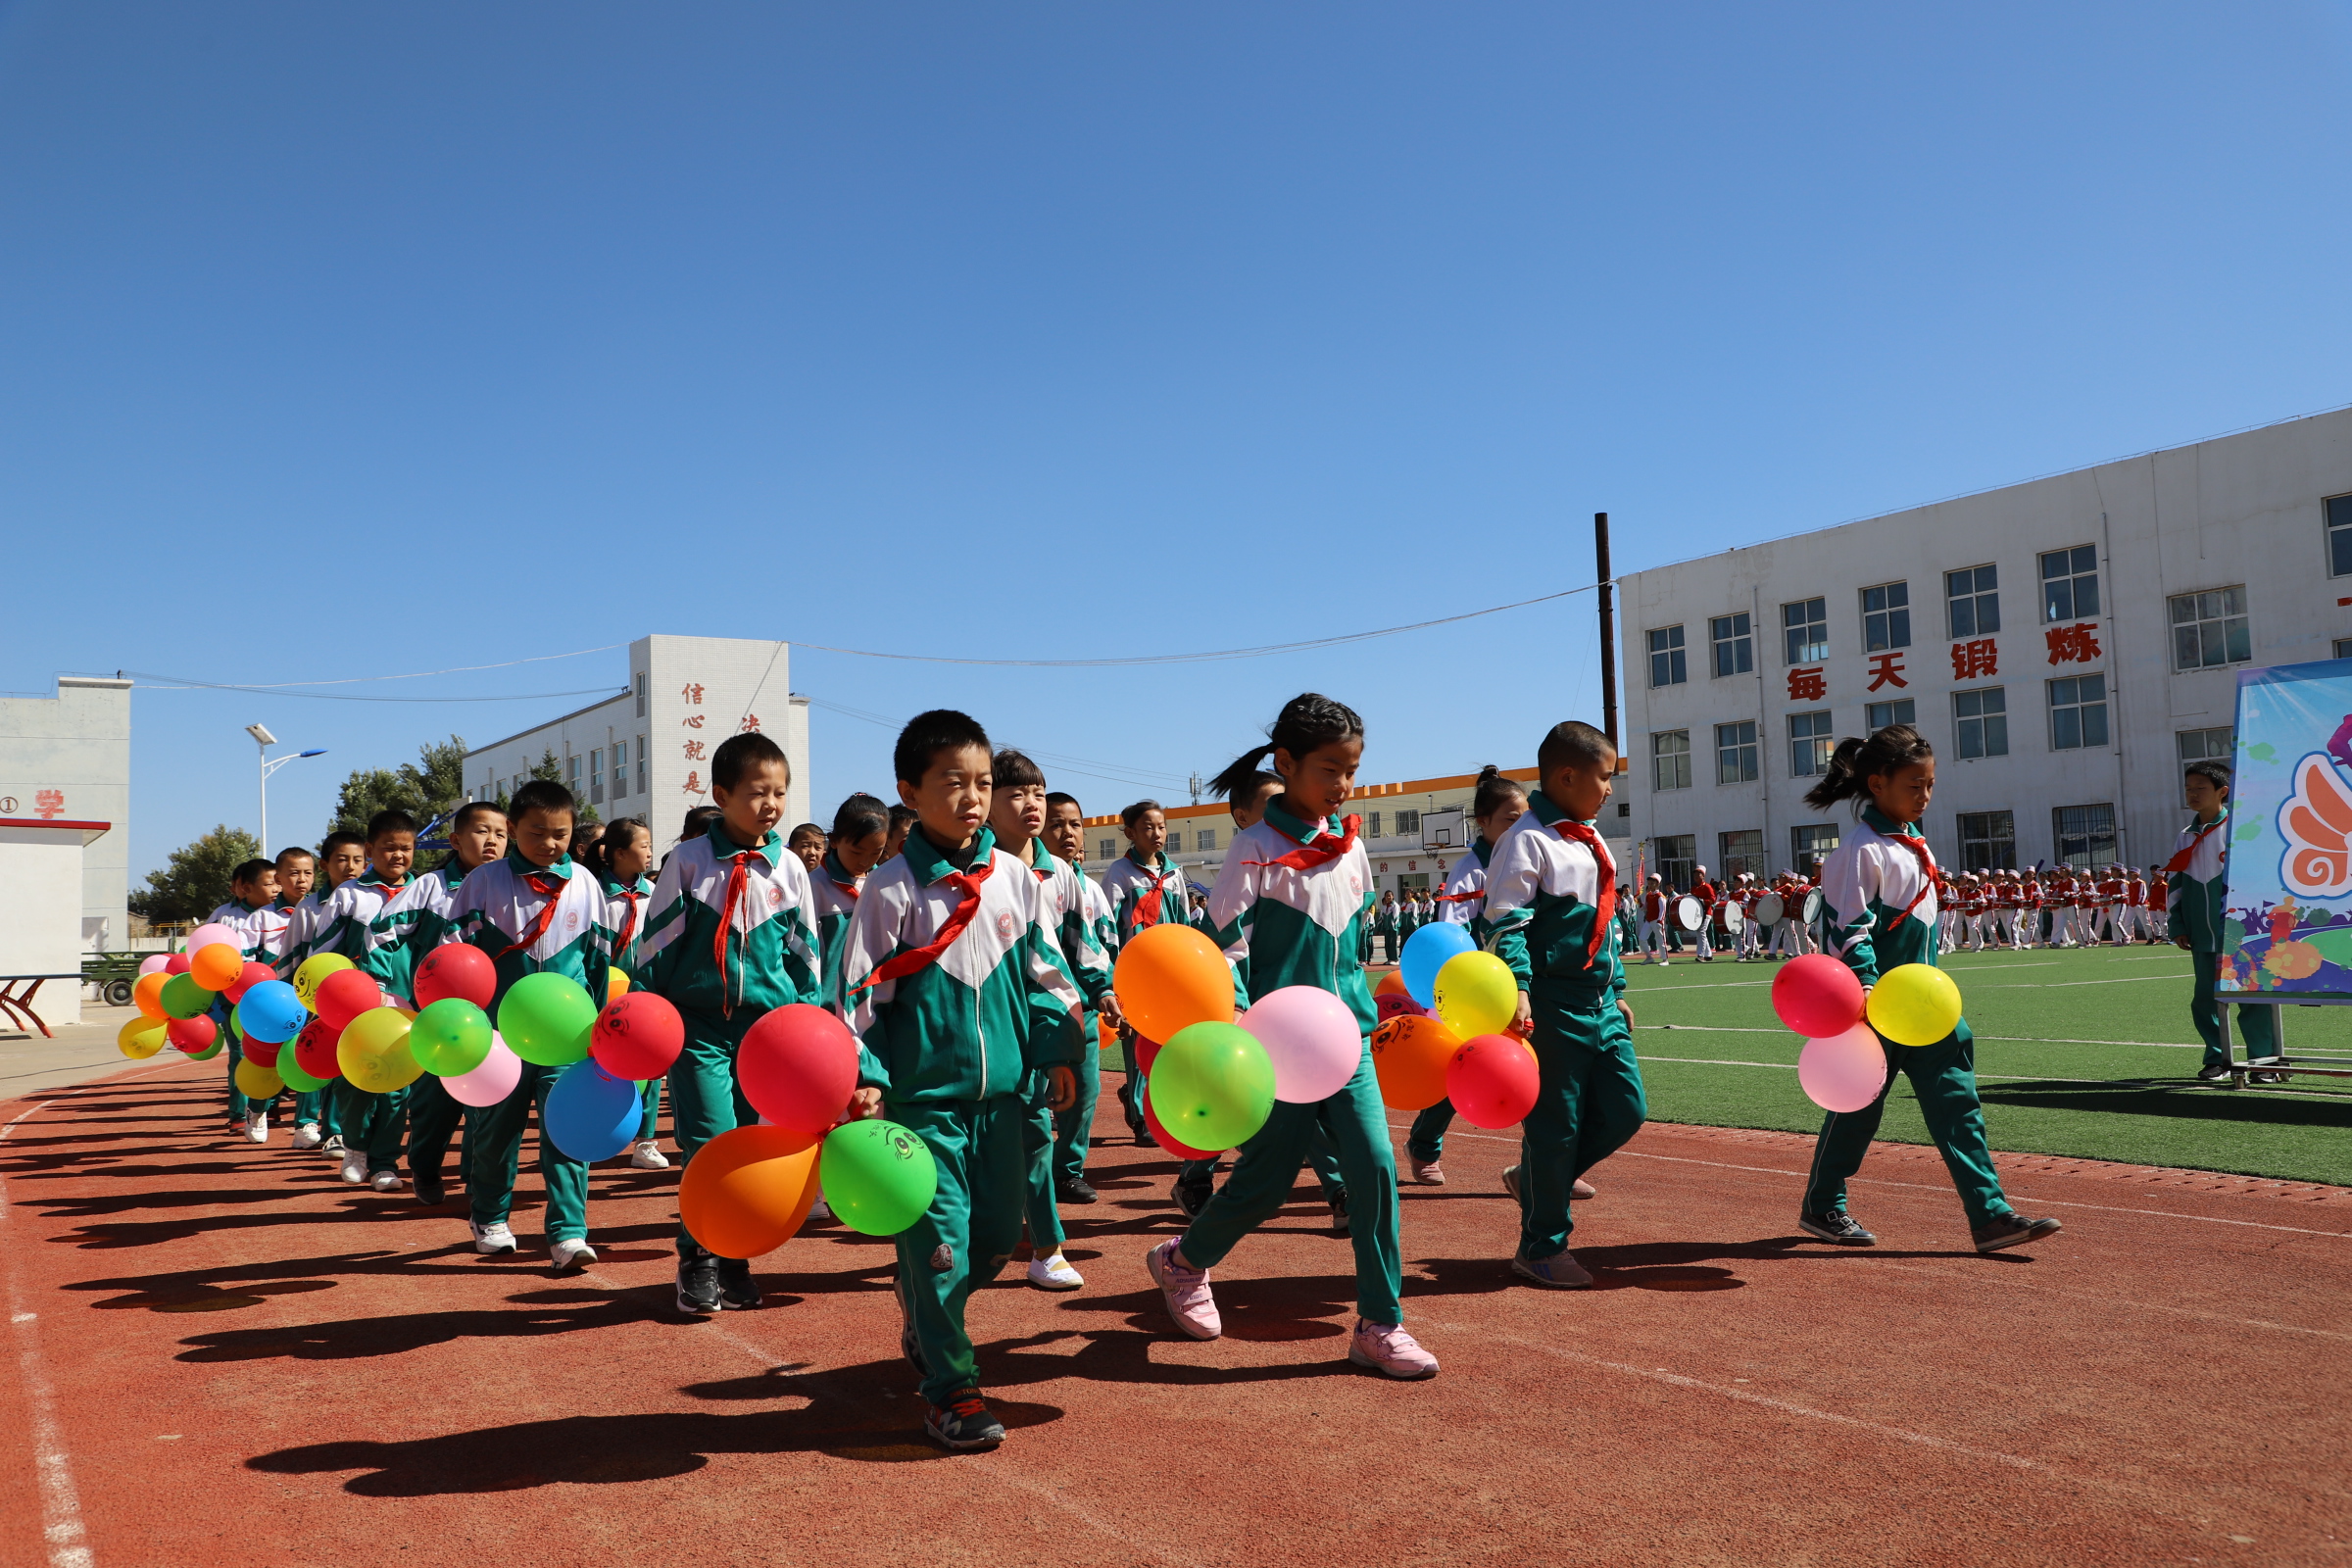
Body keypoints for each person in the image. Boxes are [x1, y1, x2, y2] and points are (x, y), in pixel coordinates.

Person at [1144, 693, 1437, 1380]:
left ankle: (1379, 1324)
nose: (1344, 783)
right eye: (1330, 768)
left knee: (1373, 1168)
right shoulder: (1253, 850)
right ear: (1286, 763)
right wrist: (1244, 1017)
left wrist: (1378, 1004)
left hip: (1351, 1044)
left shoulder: (1354, 845)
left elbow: (1354, 944)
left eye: (1352, 769)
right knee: (1267, 1183)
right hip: (1277, 1052)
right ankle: (1182, 1261)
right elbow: (1219, 949)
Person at [839, 710, 1084, 1450]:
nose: (974, 797)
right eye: (954, 783)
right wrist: (870, 1075)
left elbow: (1047, 973)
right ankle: (951, 1389)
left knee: (993, 1242)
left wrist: (1058, 1047)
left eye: (982, 783)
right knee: (943, 1243)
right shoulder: (889, 889)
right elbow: (856, 996)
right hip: (925, 1108)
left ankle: (921, 1303)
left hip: (1004, 1103)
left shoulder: (1015, 878)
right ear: (910, 792)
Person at [1794, 724, 2063, 1253]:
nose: (1925, 795)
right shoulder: (1861, 850)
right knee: (1857, 1109)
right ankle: (1823, 1204)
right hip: (1875, 1008)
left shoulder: (1912, 844)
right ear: (1877, 783)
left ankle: (1989, 1216)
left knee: (1958, 1104)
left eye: (1930, 784)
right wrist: (1868, 992)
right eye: (1914, 785)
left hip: (1925, 1007)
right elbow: (1848, 927)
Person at [638, 732, 823, 1312]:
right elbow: (656, 947)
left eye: (780, 792)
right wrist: (649, 1016)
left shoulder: (788, 867)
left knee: (751, 1146)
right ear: (722, 794)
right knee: (709, 1142)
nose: (771, 804)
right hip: (698, 1029)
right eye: (757, 792)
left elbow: (805, 955)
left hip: (766, 1036)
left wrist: (806, 1020)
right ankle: (697, 1257)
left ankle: (735, 1254)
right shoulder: (689, 863)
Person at [1478, 723, 1643, 1288]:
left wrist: (1616, 988)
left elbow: (1606, 924)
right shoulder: (1526, 840)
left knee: (1627, 1110)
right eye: (1604, 777)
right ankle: (1542, 1245)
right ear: (1568, 776)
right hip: (1550, 1004)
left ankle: (1534, 1180)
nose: (1609, 790)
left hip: (1599, 1001)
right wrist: (1519, 988)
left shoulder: (1589, 839)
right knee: (1556, 1128)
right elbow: (1505, 921)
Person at [442, 778, 612, 1271]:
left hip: (567, 1036)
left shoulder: (584, 881)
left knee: (567, 1131)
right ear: (514, 830)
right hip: (499, 1036)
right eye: (537, 833)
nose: (550, 844)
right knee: (498, 1131)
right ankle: (491, 1216)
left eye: (560, 834)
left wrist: (596, 1027)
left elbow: (599, 961)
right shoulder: (483, 882)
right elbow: (458, 958)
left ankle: (568, 1231)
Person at [1169, 769, 1349, 1230]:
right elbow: (1222, 944)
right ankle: (1196, 1173)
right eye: (1274, 802)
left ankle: (1339, 1190)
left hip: (1301, 1020)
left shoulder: (1321, 854)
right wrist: (1237, 1001)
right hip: (1245, 1010)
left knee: (1302, 1110)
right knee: (1229, 1100)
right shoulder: (1247, 855)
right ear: (1242, 814)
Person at [989, 750, 1118, 1291]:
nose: (1031, 804)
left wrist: (1102, 988)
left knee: (1039, 1131)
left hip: (1043, 1022)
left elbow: (1078, 946)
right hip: (988, 1020)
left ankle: (1047, 1246)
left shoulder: (1061, 874)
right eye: (1016, 794)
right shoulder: (977, 869)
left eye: (1038, 792)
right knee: (990, 1141)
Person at [366, 802, 510, 1204]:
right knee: (435, 1105)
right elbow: (382, 930)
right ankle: (425, 1167)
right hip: (437, 1019)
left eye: (500, 833)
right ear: (456, 839)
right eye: (482, 832)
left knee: (488, 1101)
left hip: (493, 1018)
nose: (492, 841)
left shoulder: (510, 886)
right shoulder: (431, 886)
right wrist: (381, 986)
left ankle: (476, 1178)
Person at [1405, 765, 1527, 1186]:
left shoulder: (1526, 859)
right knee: (1463, 1071)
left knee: (1533, 1071)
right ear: (1483, 822)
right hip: (1477, 991)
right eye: (1511, 819)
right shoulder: (1468, 871)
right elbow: (1450, 938)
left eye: (1524, 819)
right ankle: (1423, 1146)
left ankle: (1545, 1166)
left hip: (1523, 984)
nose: (1519, 827)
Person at [311, 810, 420, 1187]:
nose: (398, 856)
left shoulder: (422, 893)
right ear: (371, 850)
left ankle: (386, 1162)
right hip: (355, 1009)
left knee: (397, 1087)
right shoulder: (349, 894)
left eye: (406, 849)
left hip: (403, 1009)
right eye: (389, 848)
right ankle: (355, 1146)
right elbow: (323, 951)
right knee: (355, 1083)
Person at [2170, 760, 2279, 1085]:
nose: (2192, 794)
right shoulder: (2185, 836)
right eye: (2189, 789)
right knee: (2205, 1000)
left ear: (2223, 792)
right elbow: (2176, 885)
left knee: (2252, 997)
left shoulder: (2240, 831)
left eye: (2200, 788)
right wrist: (2178, 925)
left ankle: (2263, 1061)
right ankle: (2217, 1060)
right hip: (2201, 935)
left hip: (2243, 934)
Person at [580, 814, 670, 1171]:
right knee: (600, 1067)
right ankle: (596, 1134)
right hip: (603, 995)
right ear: (619, 852)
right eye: (643, 846)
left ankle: (645, 1142)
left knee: (650, 1067)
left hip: (644, 994)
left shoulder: (654, 894)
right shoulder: (595, 893)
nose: (649, 852)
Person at [1043, 788, 1119, 1205]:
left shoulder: (1089, 889)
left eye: (1075, 824)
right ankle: (1027, 1178)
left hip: (1082, 1010)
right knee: (1034, 1102)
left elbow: (1101, 948)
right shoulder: (1024, 877)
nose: (1067, 832)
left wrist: (1105, 990)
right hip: (1035, 1011)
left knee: (1085, 1093)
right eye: (1057, 823)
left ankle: (1068, 1172)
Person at [1102, 798, 1192, 1145]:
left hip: (1169, 971)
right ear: (1130, 833)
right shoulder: (1119, 874)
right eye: (1148, 827)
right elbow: (1108, 925)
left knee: (1169, 1044)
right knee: (1137, 1042)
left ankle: (1154, 1105)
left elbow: (1184, 923)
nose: (1157, 834)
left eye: (1161, 826)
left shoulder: (1174, 874)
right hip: (1135, 971)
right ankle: (1140, 1116)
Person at [275, 830, 368, 1152]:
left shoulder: (369, 900)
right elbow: (292, 956)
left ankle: (337, 1129)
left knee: (348, 1061)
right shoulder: (310, 908)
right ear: (325, 865)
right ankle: (309, 1124)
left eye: (358, 860)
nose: (351, 867)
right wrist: (294, 1000)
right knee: (316, 1058)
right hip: (315, 998)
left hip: (360, 997)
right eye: (342, 860)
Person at [206, 858, 286, 1139]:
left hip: (277, 999)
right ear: (246, 887)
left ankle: (268, 1103)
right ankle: (239, 1114)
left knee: (276, 1054)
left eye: (279, 881)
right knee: (242, 1054)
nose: (277, 888)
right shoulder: (224, 916)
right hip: (236, 1000)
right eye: (269, 883)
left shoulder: (283, 915)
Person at [811, 794, 891, 1011]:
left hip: (873, 1006)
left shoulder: (886, 885)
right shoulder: (814, 886)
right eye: (857, 851)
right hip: (827, 1007)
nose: (865, 861)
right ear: (834, 840)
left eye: (877, 852)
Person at [1372, 891, 1398, 964]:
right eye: (1387, 896)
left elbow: (1396, 917)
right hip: (1386, 928)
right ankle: (1389, 958)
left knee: (1392, 943)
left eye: (1390, 896)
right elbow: (1381, 917)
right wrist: (1379, 928)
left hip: (1393, 928)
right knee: (1387, 944)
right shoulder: (1384, 906)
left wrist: (1393, 926)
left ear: (1393, 896)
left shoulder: (1395, 906)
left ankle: (1395, 959)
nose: (1388, 897)